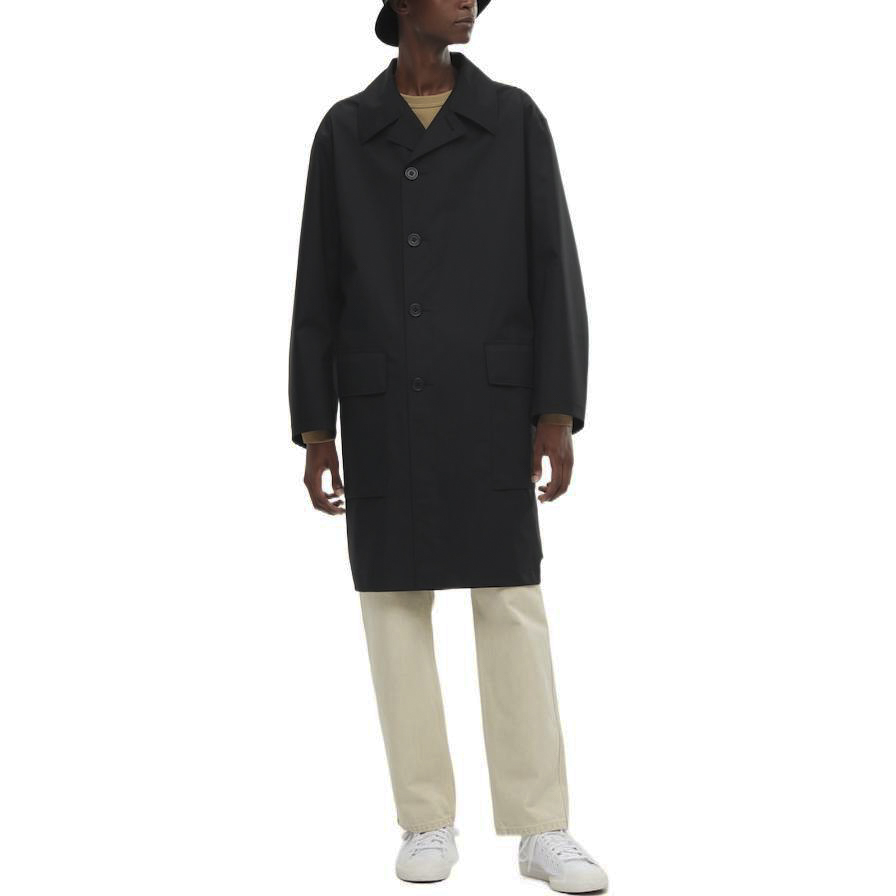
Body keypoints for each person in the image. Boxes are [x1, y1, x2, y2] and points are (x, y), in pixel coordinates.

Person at [288, 1, 608, 891]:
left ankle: (541, 828)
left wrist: (557, 408)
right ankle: (426, 819)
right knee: (394, 608)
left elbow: (554, 265)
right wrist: (315, 426)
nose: (468, 0)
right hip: (383, 403)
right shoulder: (346, 131)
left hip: (490, 404)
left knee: (510, 602)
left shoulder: (512, 118)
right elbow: (318, 281)